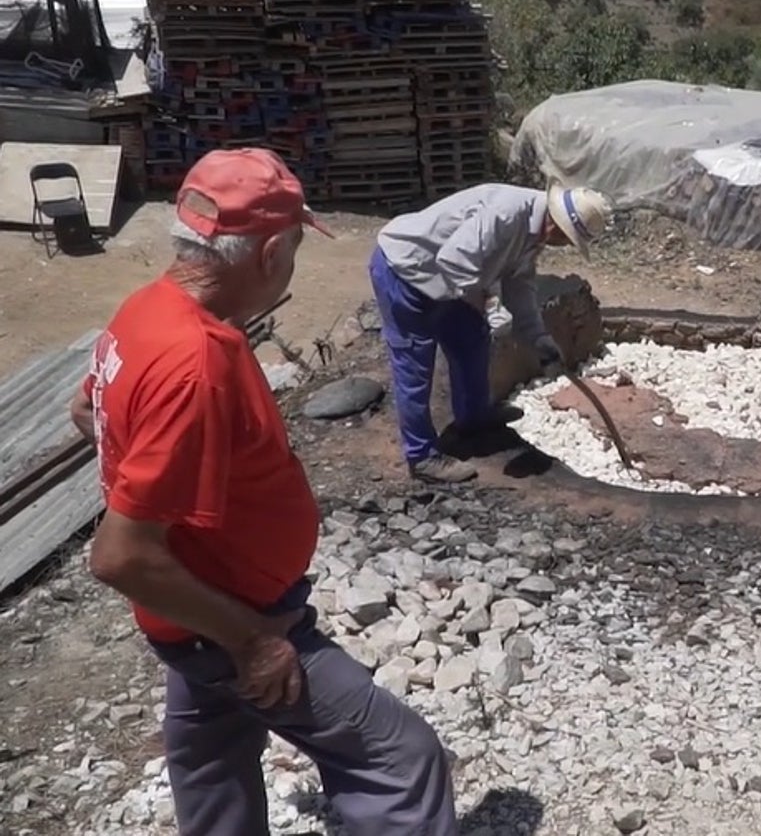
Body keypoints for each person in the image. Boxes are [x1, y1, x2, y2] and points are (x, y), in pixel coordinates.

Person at [68, 148, 458, 836]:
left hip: (193, 615)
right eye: (298, 248)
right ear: (271, 251)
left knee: (211, 761)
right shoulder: (193, 363)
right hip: (229, 620)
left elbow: (88, 410)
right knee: (401, 761)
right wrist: (251, 643)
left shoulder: (145, 310)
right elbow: (119, 556)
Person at [370, 181, 612, 483]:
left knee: (473, 341)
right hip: (407, 271)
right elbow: (453, 261)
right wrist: (492, 307)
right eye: (567, 240)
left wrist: (538, 337)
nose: (564, 246)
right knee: (414, 365)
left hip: (451, 282)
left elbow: (519, 283)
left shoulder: (534, 231)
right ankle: (421, 457)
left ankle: (474, 420)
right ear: (557, 227)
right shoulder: (506, 214)